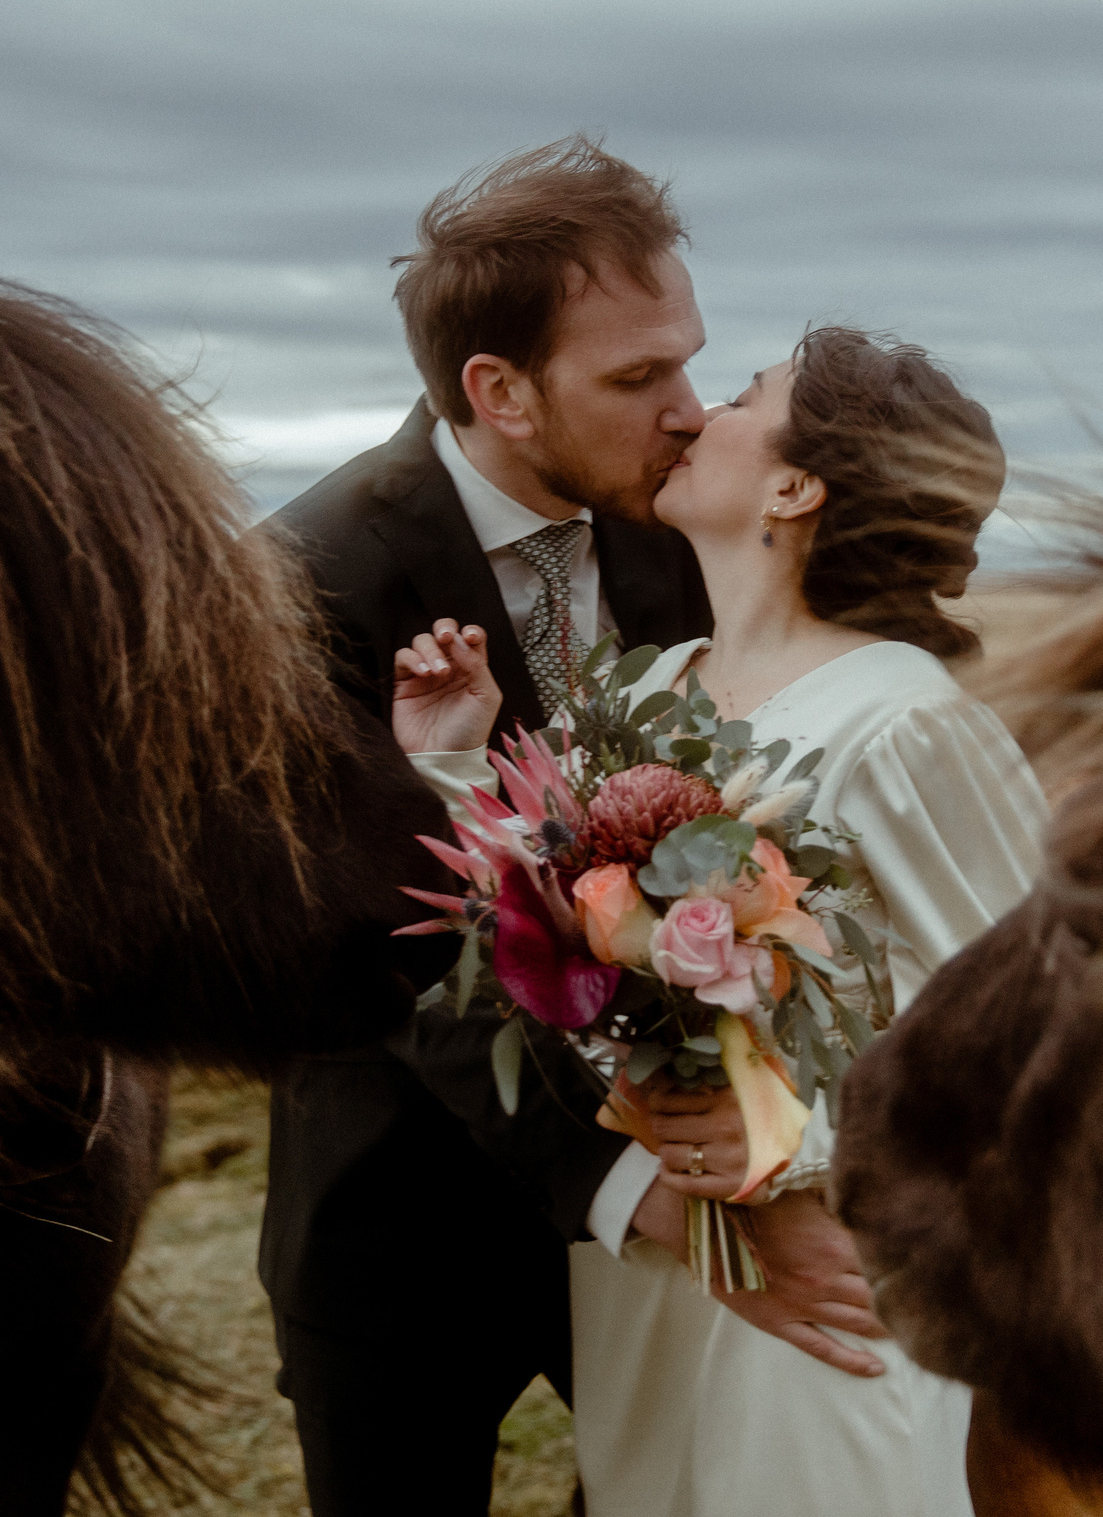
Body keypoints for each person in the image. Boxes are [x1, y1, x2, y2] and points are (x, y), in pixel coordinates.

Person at [265, 139, 881, 1517]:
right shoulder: (309, 579)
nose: (690, 409)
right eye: (636, 376)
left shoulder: (684, 532)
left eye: (692, 360)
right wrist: (618, 1182)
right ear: (499, 389)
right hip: (399, 1228)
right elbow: (372, 939)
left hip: (678, 1206)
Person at [393, 326, 1050, 1515]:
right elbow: (542, 961)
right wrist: (452, 772)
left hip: (843, 1287)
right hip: (659, 1277)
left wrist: (800, 1153)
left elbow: (1032, 1050)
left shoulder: (906, 723)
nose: (696, 415)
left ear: (797, 487)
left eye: (746, 396)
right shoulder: (641, 692)